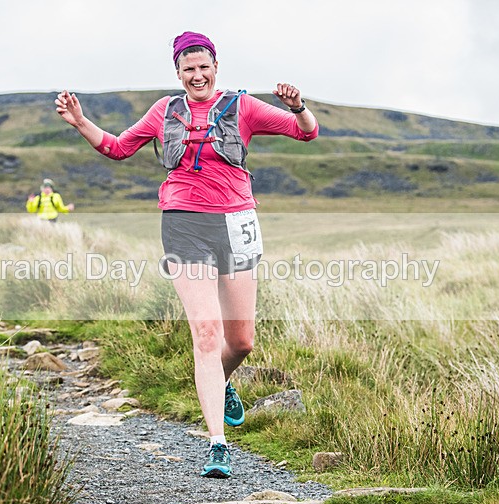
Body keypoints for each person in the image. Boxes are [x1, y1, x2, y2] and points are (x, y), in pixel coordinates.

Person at [55, 31, 318, 478]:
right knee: (207, 333)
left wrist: (298, 105)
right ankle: (218, 444)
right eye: (187, 69)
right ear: (178, 73)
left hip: (236, 223)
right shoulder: (165, 111)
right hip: (183, 223)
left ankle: (223, 381)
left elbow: (306, 133)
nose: (196, 75)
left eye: (203, 67)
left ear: (216, 67)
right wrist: (82, 123)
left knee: (242, 342)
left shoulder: (244, 107)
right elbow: (119, 148)